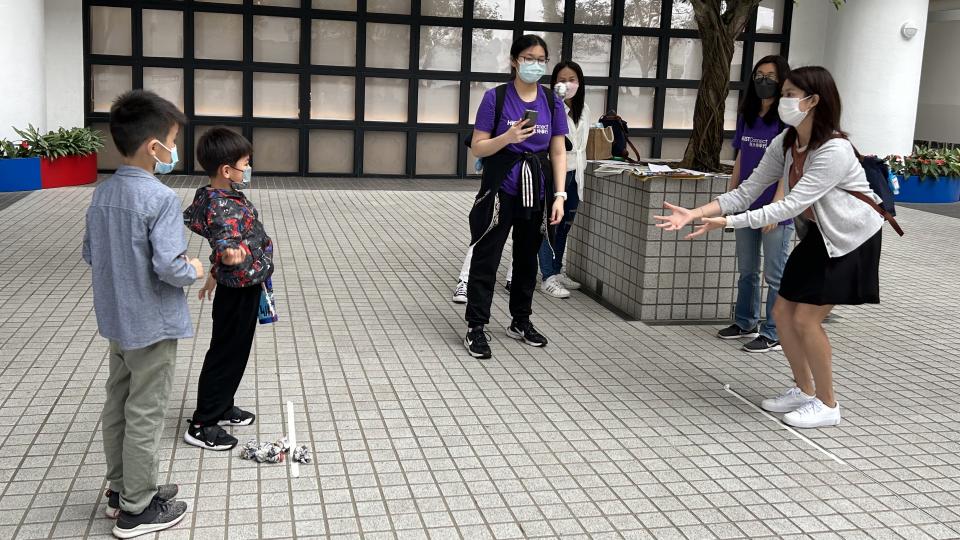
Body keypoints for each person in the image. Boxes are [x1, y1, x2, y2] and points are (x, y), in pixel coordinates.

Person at [654, 66, 886, 429]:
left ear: (813, 101)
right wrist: (696, 213)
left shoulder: (835, 150)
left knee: (806, 319)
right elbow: (747, 190)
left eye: (791, 94)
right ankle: (804, 390)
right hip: (818, 236)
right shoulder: (786, 142)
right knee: (781, 312)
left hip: (851, 240)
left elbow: (789, 206)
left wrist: (728, 222)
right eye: (784, 93)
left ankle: (828, 404)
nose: (782, 100)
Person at [82, 89, 197, 537]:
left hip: (117, 319)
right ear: (155, 147)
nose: (173, 150)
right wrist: (192, 267)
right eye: (172, 139)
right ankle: (138, 507)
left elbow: (92, 254)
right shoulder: (161, 199)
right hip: (152, 323)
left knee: (119, 401)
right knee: (147, 410)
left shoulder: (103, 193)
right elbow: (168, 267)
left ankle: (121, 489)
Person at [463, 34, 568, 359]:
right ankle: (476, 326)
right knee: (487, 258)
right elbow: (478, 146)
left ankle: (520, 320)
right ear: (514, 60)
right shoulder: (495, 98)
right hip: (501, 192)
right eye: (528, 58)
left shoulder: (551, 102)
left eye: (541, 59)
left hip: (536, 191)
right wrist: (508, 137)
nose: (535, 64)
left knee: (526, 259)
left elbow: (558, 151)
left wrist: (560, 195)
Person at [182, 128, 274, 451]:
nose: (248, 168)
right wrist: (229, 254)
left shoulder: (218, 196)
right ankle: (203, 422)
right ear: (226, 170)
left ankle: (222, 406)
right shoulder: (222, 205)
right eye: (245, 163)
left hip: (238, 285)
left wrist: (215, 273)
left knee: (232, 350)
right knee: (227, 353)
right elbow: (224, 238)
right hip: (239, 290)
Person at [716, 55, 794, 353]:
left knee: (775, 274)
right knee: (747, 269)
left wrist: (776, 205)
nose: (764, 81)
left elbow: (788, 167)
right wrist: (729, 198)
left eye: (770, 76)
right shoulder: (747, 116)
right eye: (758, 75)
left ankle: (773, 331)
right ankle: (745, 321)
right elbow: (739, 160)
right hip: (746, 206)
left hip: (775, 209)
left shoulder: (786, 121)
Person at [537, 60, 592, 298]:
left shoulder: (585, 109)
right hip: (556, 173)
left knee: (566, 226)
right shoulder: (550, 107)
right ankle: (547, 276)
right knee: (550, 225)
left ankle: (557, 270)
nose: (567, 84)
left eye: (572, 80)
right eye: (561, 80)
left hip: (577, 174)